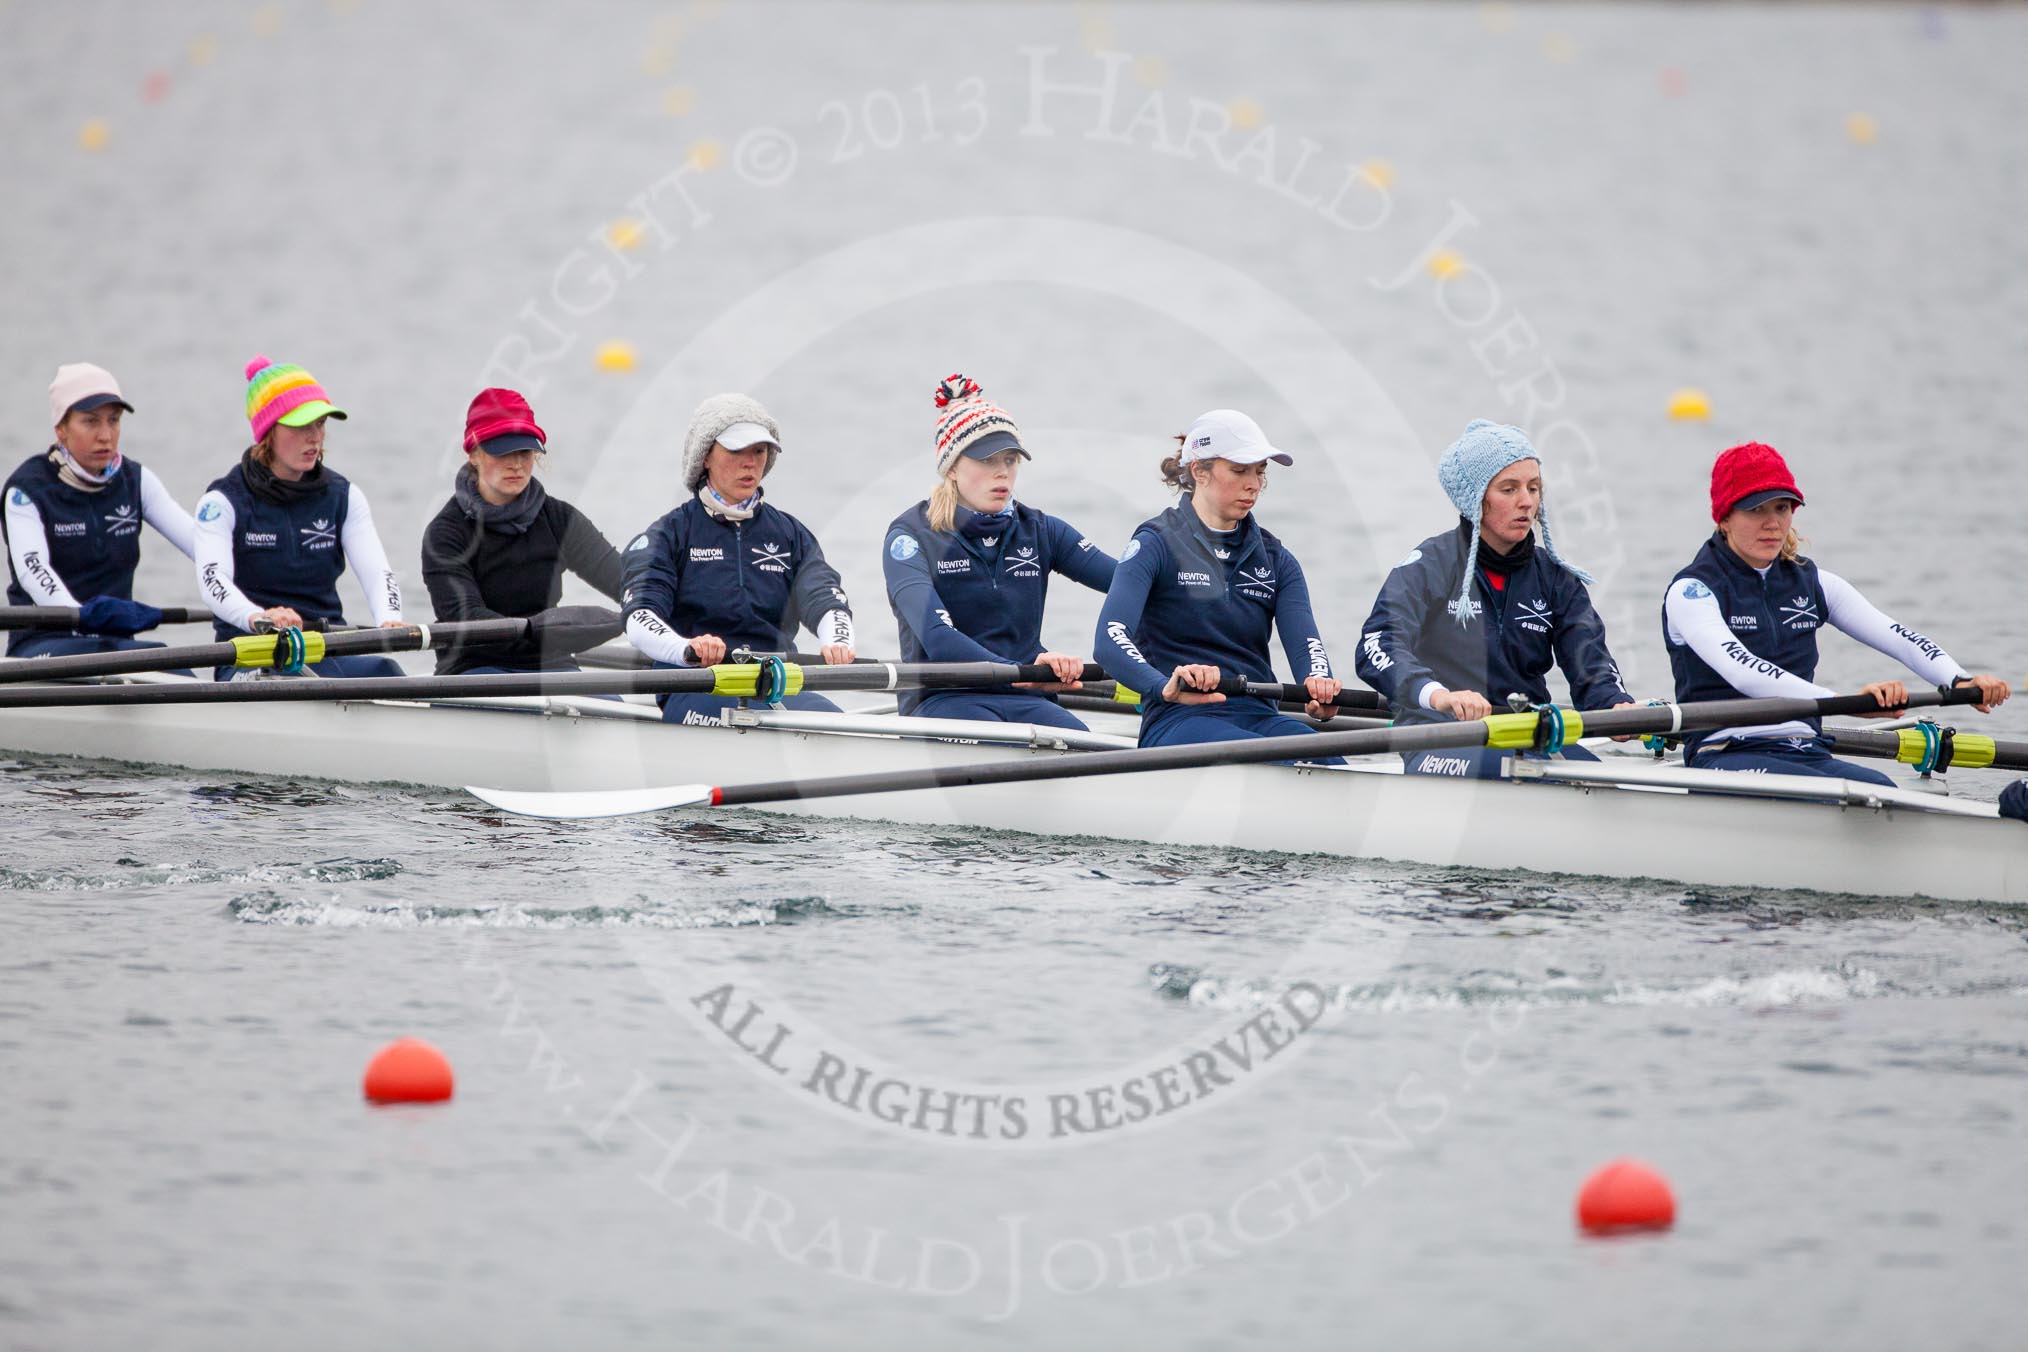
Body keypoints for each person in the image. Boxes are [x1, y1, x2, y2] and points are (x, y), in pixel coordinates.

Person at [1662, 441, 2010, 784]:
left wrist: (1958, 679)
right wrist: (1848, 703)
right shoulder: (1693, 591)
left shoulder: (1814, 583)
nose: (1772, 524)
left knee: (1880, 789)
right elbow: (1743, 671)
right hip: (1724, 751)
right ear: (1724, 517)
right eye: (1756, 510)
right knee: (1841, 796)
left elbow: (1896, 635)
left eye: (1782, 508)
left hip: (1805, 747)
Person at [1356, 419, 1633, 777]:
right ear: (1476, 500)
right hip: (1439, 734)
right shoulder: (1430, 567)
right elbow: (1377, 644)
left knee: (1607, 783)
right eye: (1509, 489)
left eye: (1534, 488)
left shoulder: (1556, 579)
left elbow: (1590, 664)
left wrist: (1615, 705)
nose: (1526, 502)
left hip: (1528, 733)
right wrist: (1439, 695)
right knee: (1503, 770)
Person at [1094, 408, 1341, 750]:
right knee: (1269, 755)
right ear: (1199, 471)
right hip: (1178, 719)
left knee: (1326, 754)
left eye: (1260, 471)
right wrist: (1163, 684)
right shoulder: (1156, 544)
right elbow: (1109, 639)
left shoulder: (1276, 559)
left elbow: (1307, 646)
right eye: (1239, 470)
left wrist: (1319, 684)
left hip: (1260, 715)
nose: (1253, 484)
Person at [881, 375, 1116, 731]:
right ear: (954, 468)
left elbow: (1127, 583)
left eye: (1010, 459)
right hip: (946, 699)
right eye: (987, 460)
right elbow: (938, 638)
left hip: (1026, 698)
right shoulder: (911, 537)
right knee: (999, 739)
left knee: (1078, 740)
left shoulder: (1040, 530)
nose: (1002, 472)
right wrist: (1023, 672)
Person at [622, 393, 857, 724]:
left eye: (759, 451)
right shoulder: (670, 534)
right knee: (750, 723)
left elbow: (825, 596)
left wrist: (838, 641)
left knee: (841, 727)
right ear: (705, 456)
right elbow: (639, 617)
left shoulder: (789, 533)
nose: (750, 462)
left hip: (775, 683)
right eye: (736, 450)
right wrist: (686, 649)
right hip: (697, 684)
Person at [193, 356, 407, 679]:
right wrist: (258, 617)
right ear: (268, 431)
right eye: (301, 425)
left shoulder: (344, 497)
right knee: (282, 678)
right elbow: (213, 581)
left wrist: (389, 619)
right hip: (250, 655)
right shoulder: (222, 502)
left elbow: (379, 573)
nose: (315, 436)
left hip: (322, 649)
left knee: (385, 668)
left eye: (320, 423)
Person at [421, 388, 624, 675]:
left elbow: (626, 582)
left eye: (524, 451)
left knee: (607, 708)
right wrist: (560, 629)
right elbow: (469, 620)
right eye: (502, 451)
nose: (516, 464)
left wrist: (654, 610)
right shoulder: (445, 534)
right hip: (475, 668)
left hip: (551, 663)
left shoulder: (559, 519)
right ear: (474, 453)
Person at [4, 363, 194, 658]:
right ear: (61, 429)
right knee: (112, 660)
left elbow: (202, 546)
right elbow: (34, 571)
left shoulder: (137, 481)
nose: (106, 435)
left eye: (114, 420)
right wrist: (82, 617)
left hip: (115, 646)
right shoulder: (26, 490)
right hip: (42, 645)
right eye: (91, 421)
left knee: (170, 661)